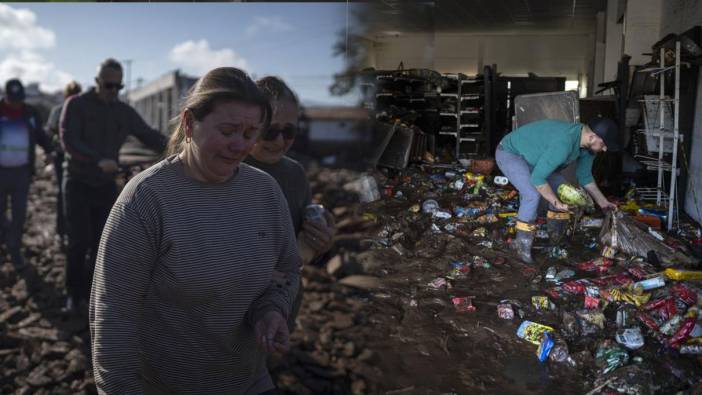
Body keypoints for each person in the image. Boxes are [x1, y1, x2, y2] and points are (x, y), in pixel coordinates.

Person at [90, 67, 300, 394]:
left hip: (248, 380)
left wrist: (272, 310)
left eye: (250, 134)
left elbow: (287, 269)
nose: (239, 145)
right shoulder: (146, 199)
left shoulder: (265, 192)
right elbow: (114, 316)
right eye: (228, 130)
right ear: (189, 124)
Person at [60, 58, 166, 313]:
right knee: (79, 241)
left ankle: (91, 293)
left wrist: (181, 149)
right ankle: (72, 294)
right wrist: (98, 160)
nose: (113, 92)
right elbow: (68, 140)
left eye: (118, 87)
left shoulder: (123, 112)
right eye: (108, 86)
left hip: (105, 186)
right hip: (78, 182)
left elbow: (149, 135)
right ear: (97, 82)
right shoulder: (76, 105)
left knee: (101, 243)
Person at [245, 76, 335, 332]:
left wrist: (322, 244)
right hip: (231, 308)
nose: (280, 140)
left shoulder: (295, 173)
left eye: (290, 131)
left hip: (283, 304)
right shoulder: (225, 168)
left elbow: (300, 252)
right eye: (270, 131)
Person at [495, 118, 619, 264]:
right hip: (512, 154)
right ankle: (521, 246)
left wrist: (603, 202)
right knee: (531, 195)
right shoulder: (564, 143)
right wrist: (555, 202)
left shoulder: (587, 147)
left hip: (538, 160)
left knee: (565, 193)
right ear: (592, 137)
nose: (604, 149)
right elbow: (538, 179)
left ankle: (555, 241)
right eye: (603, 144)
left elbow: (584, 177)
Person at [0, 79, 53, 269]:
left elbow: (40, 136)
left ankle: (14, 249)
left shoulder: (30, 113)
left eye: (19, 99)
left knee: (19, 214)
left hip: (21, 173)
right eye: (12, 100)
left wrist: (51, 150)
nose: (16, 103)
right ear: (6, 96)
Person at [46, 80, 82, 247]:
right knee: (65, 194)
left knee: (65, 194)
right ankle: (65, 232)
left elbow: (49, 131)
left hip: (71, 157)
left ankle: (66, 232)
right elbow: (50, 132)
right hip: (68, 157)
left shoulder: (58, 110)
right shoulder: (64, 110)